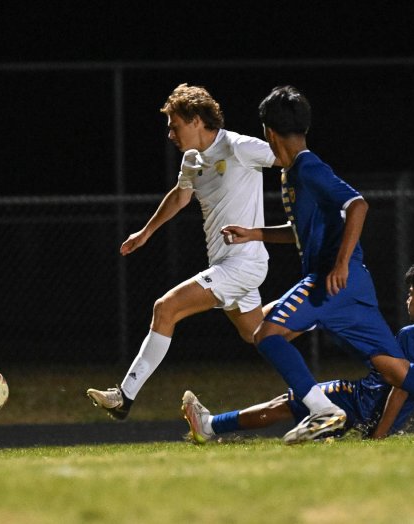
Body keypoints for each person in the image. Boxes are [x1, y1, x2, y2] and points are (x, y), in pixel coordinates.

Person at [216, 85, 414, 444]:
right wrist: (254, 234)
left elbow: (357, 204)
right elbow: (302, 231)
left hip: (331, 280)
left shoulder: (308, 167)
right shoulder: (293, 172)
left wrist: (339, 264)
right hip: (352, 284)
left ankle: (322, 410)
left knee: (265, 333)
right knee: (396, 370)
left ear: (269, 131)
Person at [86, 83, 277, 419]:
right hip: (226, 263)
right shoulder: (193, 159)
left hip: (243, 264)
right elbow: (180, 195)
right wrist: (146, 233)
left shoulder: (239, 147)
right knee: (256, 332)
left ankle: (124, 396)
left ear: (196, 120)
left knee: (166, 308)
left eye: (175, 125)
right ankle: (318, 305)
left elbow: (289, 157)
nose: (170, 133)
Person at [182, 261, 414, 443]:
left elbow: (400, 386)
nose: (408, 300)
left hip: (360, 401)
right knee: (294, 409)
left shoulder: (413, 334)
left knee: (285, 403)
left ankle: (210, 426)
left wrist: (379, 435)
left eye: (411, 294)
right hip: (382, 416)